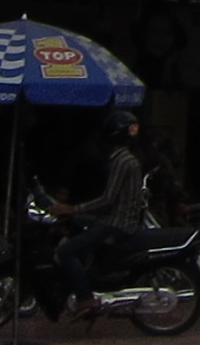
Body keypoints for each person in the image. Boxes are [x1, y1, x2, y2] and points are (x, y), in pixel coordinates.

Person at [57, 111, 157, 306]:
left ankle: (85, 298)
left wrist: (73, 208)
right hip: (117, 220)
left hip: (115, 224)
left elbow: (108, 199)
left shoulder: (122, 161)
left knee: (66, 252)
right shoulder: (127, 159)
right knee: (77, 225)